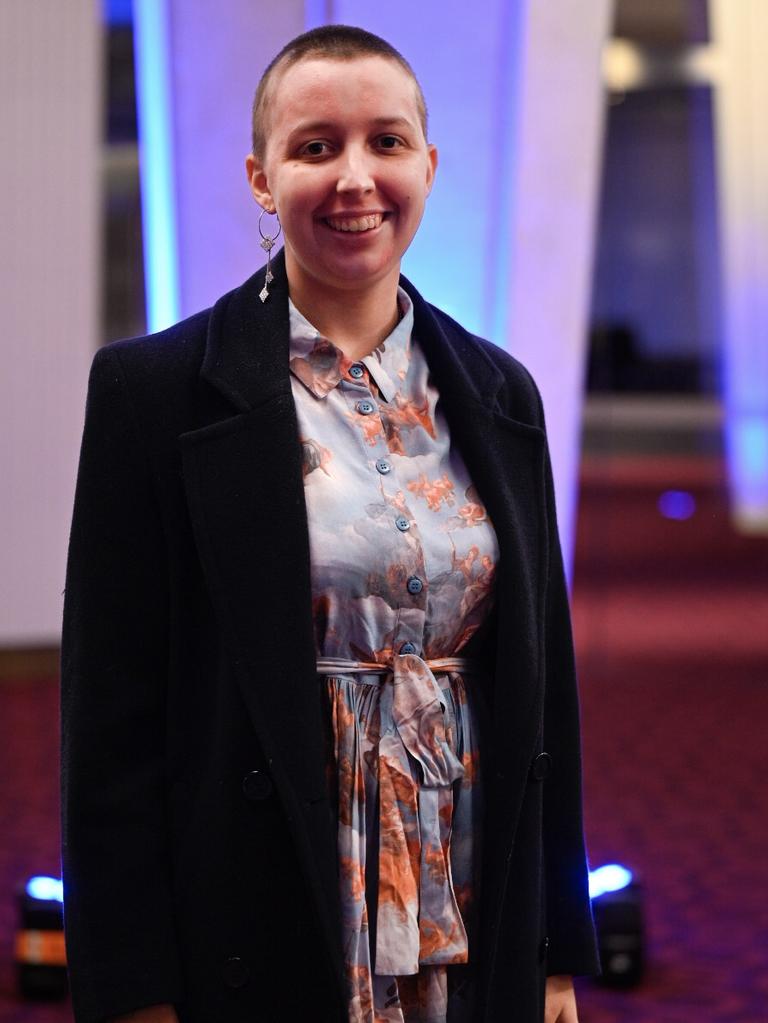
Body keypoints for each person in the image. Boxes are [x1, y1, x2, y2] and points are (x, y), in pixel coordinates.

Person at [61, 24, 598, 1023]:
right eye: (316, 148)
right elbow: (111, 725)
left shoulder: (498, 390)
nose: (356, 177)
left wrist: (556, 949)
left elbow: (544, 692)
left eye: (385, 142)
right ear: (263, 178)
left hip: (469, 883)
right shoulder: (156, 393)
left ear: (427, 166)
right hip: (268, 889)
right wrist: (133, 990)